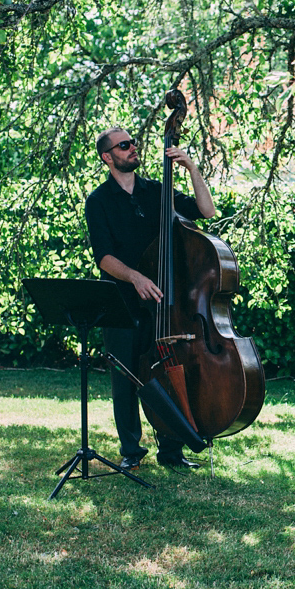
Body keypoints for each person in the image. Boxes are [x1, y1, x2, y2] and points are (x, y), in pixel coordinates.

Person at [85, 126, 216, 470]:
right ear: (107, 157)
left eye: (134, 143)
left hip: (166, 304)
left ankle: (172, 452)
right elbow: (104, 257)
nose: (133, 148)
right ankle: (132, 452)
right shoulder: (98, 201)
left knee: (168, 372)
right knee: (126, 379)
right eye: (124, 145)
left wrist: (192, 168)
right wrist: (135, 277)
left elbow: (207, 210)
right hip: (123, 303)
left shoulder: (158, 191)